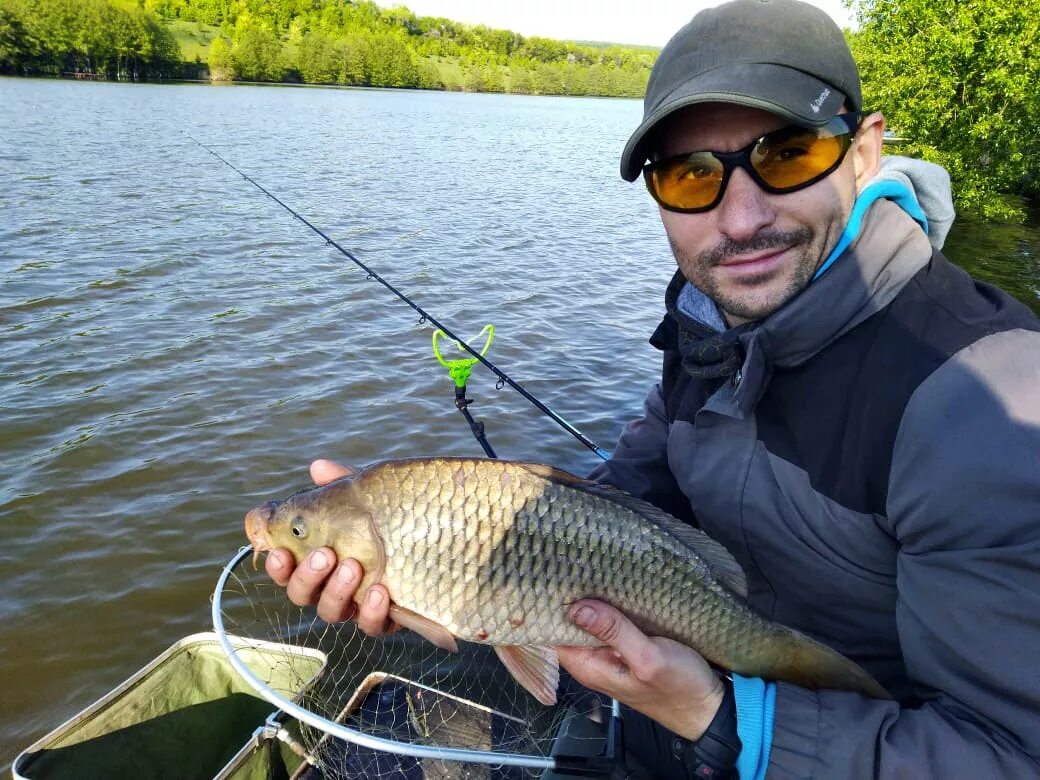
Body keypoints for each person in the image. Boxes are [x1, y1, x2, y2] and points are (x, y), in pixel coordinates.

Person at [266, 0, 1040, 776]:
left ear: (864, 151)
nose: (739, 219)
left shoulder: (990, 400)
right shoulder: (713, 325)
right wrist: (464, 563)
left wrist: (721, 717)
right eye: (692, 174)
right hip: (662, 726)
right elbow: (634, 487)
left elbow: (1011, 757)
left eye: (788, 156)